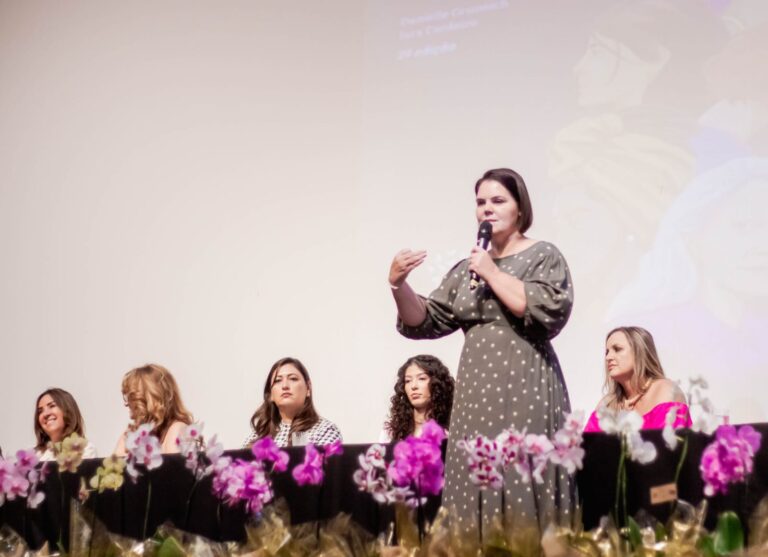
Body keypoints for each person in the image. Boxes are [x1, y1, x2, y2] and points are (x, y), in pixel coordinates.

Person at [389, 168, 575, 530]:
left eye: (498, 200)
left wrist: (492, 272)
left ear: (520, 208)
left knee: (521, 475)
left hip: (526, 387)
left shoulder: (542, 255)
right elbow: (425, 319)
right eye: (481, 202)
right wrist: (398, 286)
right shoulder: (467, 268)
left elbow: (547, 309)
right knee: (476, 479)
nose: (487, 209)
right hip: (476, 396)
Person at [584, 326, 691, 432]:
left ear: (639, 352)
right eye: (607, 352)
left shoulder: (665, 390)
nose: (608, 357)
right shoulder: (607, 404)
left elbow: (668, 441)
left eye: (617, 349)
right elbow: (586, 442)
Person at [244, 357, 342, 448]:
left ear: (308, 388)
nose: (285, 386)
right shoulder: (257, 436)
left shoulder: (324, 430)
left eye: (293, 379)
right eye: (278, 380)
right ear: (270, 395)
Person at [114, 364, 193, 456]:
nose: (127, 404)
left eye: (133, 397)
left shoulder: (176, 429)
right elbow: (115, 463)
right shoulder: (129, 435)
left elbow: (173, 464)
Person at [382, 354, 455, 442]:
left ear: (437, 384)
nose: (413, 386)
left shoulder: (453, 430)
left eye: (421, 378)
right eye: (408, 381)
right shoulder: (392, 431)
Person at [34, 388, 97, 461]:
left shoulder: (86, 450)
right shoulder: (36, 455)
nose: (45, 414)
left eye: (52, 406)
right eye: (40, 411)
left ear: (68, 410)